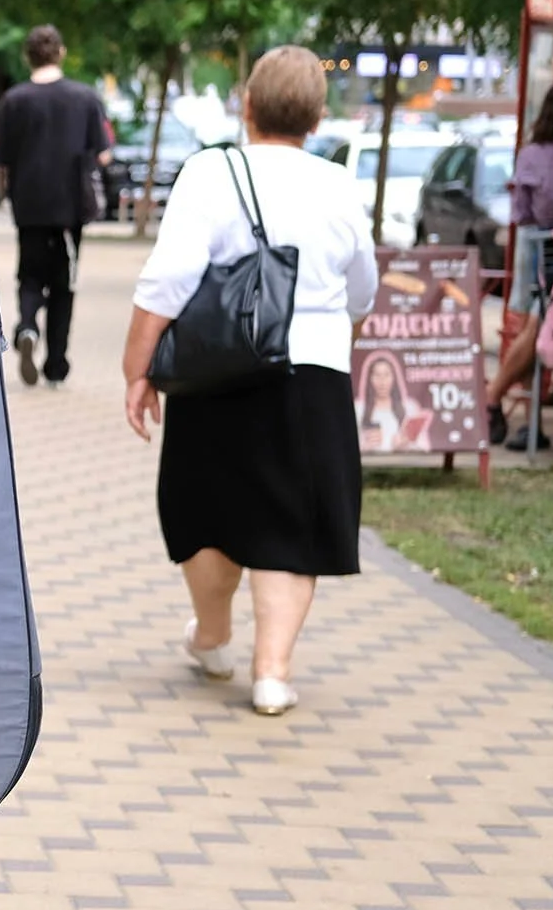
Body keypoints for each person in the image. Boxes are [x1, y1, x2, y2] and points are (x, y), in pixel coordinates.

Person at [122, 45, 376, 718]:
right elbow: (363, 290)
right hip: (312, 374)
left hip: (217, 371)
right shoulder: (337, 185)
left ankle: (212, 635)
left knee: (203, 509)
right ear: (317, 118)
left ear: (248, 107)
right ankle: (272, 672)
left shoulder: (210, 173)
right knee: (294, 523)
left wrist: (136, 369)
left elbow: (167, 280)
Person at [0, 25, 111, 386]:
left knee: (29, 275)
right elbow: (103, 154)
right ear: (60, 53)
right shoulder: (85, 98)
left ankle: (28, 326)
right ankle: (56, 364)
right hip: (69, 209)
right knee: (64, 284)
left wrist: (3, 197)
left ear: (27, 56)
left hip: (28, 206)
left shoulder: (13, 101)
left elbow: (2, 160)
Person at [489, 75, 553, 449]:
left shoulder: (532, 156)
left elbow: (521, 213)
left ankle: (513, 411)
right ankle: (512, 414)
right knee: (536, 329)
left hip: (542, 249)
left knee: (532, 326)